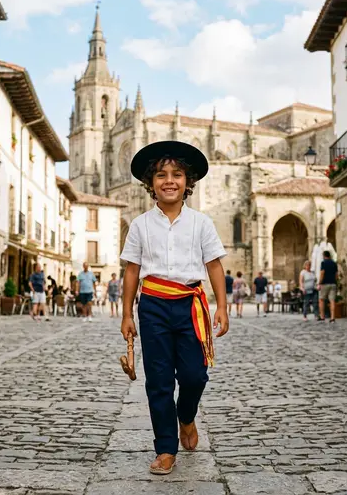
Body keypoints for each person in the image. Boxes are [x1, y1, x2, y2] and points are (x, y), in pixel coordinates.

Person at [120, 140, 229, 476]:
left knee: (196, 375)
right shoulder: (140, 225)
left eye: (177, 174)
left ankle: (187, 416)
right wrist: (126, 313)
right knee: (159, 380)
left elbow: (213, 266)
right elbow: (131, 271)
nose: (169, 180)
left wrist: (222, 306)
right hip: (152, 306)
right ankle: (166, 448)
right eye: (162, 175)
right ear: (150, 183)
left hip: (190, 305)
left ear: (187, 182)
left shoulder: (201, 223)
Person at [319, 250, 338, 323]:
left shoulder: (323, 263)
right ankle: (332, 317)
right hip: (333, 283)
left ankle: (322, 316)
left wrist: (320, 282)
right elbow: (336, 274)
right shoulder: (334, 263)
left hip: (325, 283)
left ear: (324, 256)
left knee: (321, 299)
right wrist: (335, 281)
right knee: (332, 300)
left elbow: (322, 273)